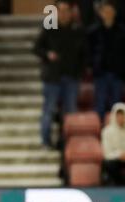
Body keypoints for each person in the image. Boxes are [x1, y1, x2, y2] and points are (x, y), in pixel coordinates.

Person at [33, 0, 87, 149]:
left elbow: (84, 54)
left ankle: (70, 142)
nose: (63, 14)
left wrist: (80, 71)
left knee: (71, 111)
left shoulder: (78, 30)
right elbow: (36, 48)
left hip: (71, 77)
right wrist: (47, 54)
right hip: (52, 77)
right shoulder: (49, 28)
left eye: (66, 10)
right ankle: (45, 141)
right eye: (60, 10)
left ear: (71, 12)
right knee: (48, 110)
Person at [88, 0, 125, 121]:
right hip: (100, 73)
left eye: (110, 11)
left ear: (114, 13)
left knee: (116, 105)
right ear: (101, 13)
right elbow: (89, 51)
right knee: (100, 103)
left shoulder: (122, 31)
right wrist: (92, 66)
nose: (108, 14)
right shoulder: (93, 31)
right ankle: (100, 131)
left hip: (117, 73)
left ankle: (115, 131)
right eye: (105, 11)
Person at [102, 102, 125, 185]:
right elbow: (107, 153)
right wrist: (120, 155)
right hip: (115, 160)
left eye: (123, 115)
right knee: (110, 164)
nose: (121, 118)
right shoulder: (107, 131)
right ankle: (119, 186)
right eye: (118, 115)